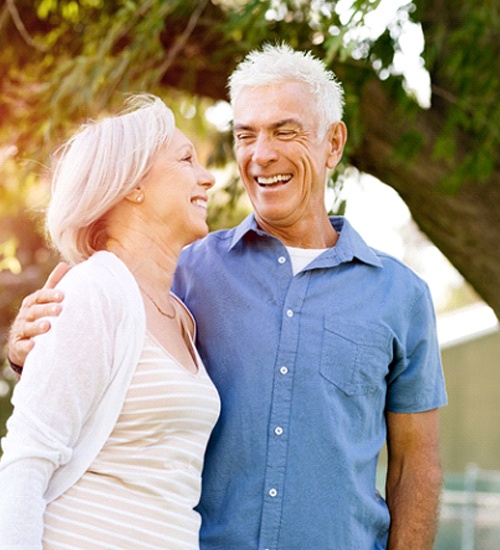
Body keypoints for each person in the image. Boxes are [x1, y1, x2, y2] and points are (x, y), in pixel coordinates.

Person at [7, 44, 446, 549]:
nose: (262, 154)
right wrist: (31, 345)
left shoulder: (401, 296)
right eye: (245, 135)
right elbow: (91, 355)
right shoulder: (183, 272)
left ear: (333, 143)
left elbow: (416, 466)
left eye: (285, 131)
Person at [0, 94, 220, 548]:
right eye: (186, 160)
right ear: (132, 185)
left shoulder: (180, 314)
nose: (208, 178)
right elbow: (27, 458)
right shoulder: (94, 291)